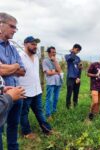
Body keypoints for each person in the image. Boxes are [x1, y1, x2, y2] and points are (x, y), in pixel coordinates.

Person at [0, 12, 26, 150]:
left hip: (17, 92)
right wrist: (14, 66)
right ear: (0, 25)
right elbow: (1, 71)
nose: (15, 30)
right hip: (2, 96)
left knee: (14, 125)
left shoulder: (12, 48)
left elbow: (22, 71)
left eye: (16, 27)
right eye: (12, 26)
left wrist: (10, 67)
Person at [19, 36, 52, 140]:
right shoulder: (19, 57)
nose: (35, 46)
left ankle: (47, 129)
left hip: (37, 90)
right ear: (25, 44)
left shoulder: (36, 57)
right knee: (24, 113)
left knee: (39, 111)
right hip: (25, 91)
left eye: (36, 44)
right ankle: (27, 132)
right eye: (32, 44)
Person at [42, 46, 62, 119]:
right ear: (49, 53)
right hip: (50, 82)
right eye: (53, 52)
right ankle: (48, 114)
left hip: (58, 82)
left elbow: (60, 71)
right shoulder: (45, 61)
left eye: (55, 52)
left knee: (56, 98)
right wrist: (55, 72)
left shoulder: (56, 61)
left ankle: (54, 110)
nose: (54, 54)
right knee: (49, 99)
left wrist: (55, 62)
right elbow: (48, 73)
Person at [65, 44, 82, 109]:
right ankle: (68, 107)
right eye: (77, 50)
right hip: (70, 78)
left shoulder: (78, 58)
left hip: (77, 78)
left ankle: (75, 105)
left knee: (76, 93)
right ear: (73, 48)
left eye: (79, 51)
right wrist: (72, 52)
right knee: (69, 93)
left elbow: (80, 68)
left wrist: (79, 77)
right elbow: (71, 59)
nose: (77, 51)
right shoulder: (67, 56)